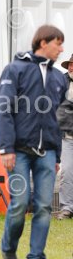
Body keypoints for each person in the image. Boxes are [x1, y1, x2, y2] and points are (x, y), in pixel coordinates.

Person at [0, 25, 66, 259]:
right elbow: (4, 109)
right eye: (58, 44)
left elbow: (56, 119)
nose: (61, 49)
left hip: (47, 152)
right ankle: (9, 251)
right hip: (17, 151)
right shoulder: (15, 69)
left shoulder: (59, 77)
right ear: (43, 43)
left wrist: (57, 155)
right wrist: (6, 148)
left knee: (44, 207)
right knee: (20, 203)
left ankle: (36, 255)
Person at [55, 53, 73, 220]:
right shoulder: (61, 81)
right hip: (67, 136)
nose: (71, 68)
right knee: (66, 171)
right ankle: (66, 208)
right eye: (70, 65)